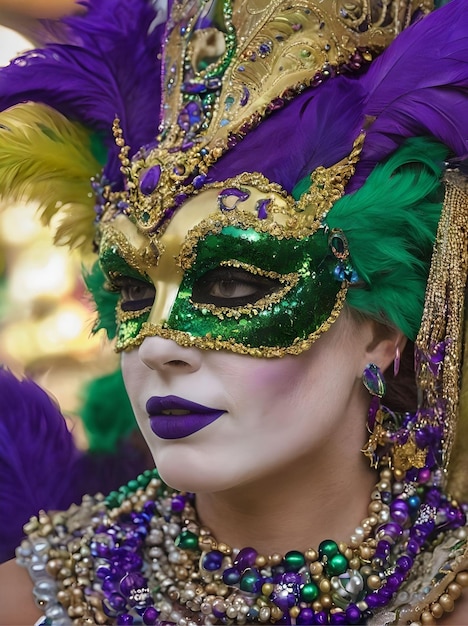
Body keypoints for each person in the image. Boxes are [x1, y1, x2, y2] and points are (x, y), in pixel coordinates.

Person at [0, 0, 468, 624]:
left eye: (231, 287)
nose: (157, 348)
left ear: (382, 332)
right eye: (136, 294)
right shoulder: (33, 600)